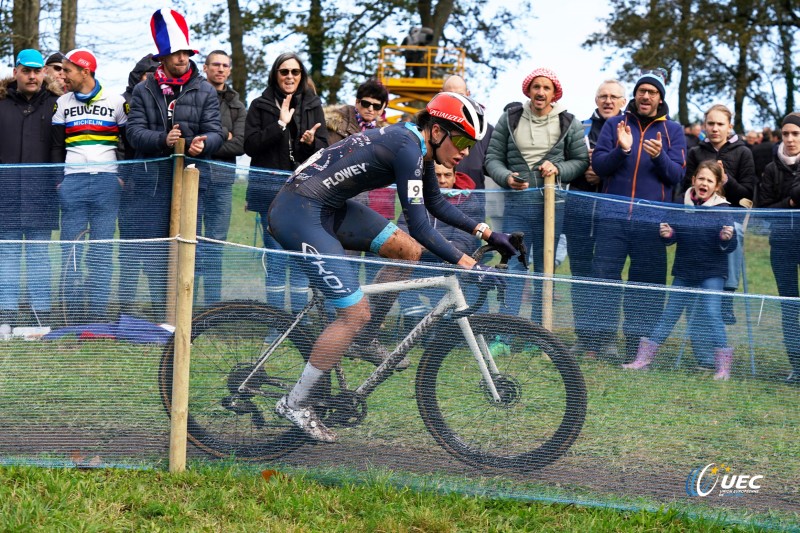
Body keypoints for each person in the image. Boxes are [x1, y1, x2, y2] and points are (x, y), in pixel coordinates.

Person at [268, 92, 521, 441]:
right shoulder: (407, 147)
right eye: (461, 139)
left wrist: (490, 233)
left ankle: (365, 339)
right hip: (300, 213)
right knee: (355, 313)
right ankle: (293, 402)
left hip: (330, 208)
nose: (465, 151)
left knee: (407, 252)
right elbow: (420, 224)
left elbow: (434, 202)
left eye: (472, 144)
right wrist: (467, 264)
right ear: (435, 131)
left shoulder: (416, 148)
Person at [125, 8, 224, 318]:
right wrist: (162, 140)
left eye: (185, 52)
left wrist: (202, 143)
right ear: (162, 58)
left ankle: (185, 314)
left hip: (193, 182)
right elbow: (133, 132)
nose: (182, 58)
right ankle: (161, 314)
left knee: (188, 250)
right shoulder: (143, 90)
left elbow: (217, 132)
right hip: (153, 184)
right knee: (157, 253)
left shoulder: (205, 89)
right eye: (174, 53)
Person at [589, 68, 687, 360]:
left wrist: (659, 157)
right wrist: (622, 150)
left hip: (651, 224)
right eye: (642, 90)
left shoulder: (674, 131)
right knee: (604, 280)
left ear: (660, 98)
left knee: (646, 286)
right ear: (635, 94)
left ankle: (637, 347)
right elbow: (601, 167)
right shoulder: (615, 124)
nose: (645, 96)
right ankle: (601, 341)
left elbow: (676, 177)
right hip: (612, 219)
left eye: (652, 92)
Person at [485, 67, 589, 324]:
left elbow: (580, 160)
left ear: (555, 93)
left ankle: (539, 331)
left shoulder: (569, 121)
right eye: (536, 87)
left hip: (552, 207)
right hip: (517, 207)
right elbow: (492, 158)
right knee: (513, 265)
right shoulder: (510, 118)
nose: (541, 92)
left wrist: (559, 168)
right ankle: (506, 331)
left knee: (546, 268)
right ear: (528, 90)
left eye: (546, 88)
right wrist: (506, 177)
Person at [623, 160, 736, 379]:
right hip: (684, 271)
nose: (704, 183)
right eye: (701, 178)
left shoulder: (723, 209)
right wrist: (668, 235)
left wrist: (726, 238)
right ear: (693, 180)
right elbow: (671, 236)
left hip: (712, 272)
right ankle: (643, 360)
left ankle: (723, 367)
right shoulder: (680, 204)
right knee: (670, 315)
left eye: (709, 181)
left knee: (713, 314)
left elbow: (731, 245)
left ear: (716, 186)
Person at [244, 52, 327, 315]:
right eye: (284, 71)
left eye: (295, 72)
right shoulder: (260, 105)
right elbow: (250, 145)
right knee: (277, 260)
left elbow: (324, 150)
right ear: (275, 74)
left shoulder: (313, 104)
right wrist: (280, 123)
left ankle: (299, 323)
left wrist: (311, 143)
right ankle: (276, 321)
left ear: (301, 76)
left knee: (302, 260)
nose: (289, 77)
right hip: (269, 195)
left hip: (305, 196)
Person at [51, 48, 128, 322]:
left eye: (67, 70)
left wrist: (122, 178)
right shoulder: (62, 103)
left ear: (85, 71)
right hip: (72, 182)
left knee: (102, 250)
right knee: (70, 248)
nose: (63, 76)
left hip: (106, 183)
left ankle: (96, 314)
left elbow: (127, 143)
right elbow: (56, 147)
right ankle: (70, 314)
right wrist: (59, 181)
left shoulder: (117, 102)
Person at [0, 49, 61, 328]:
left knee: (39, 256)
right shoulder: (1, 102)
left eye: (37, 71)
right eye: (27, 70)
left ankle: (41, 314)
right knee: (7, 255)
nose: (33, 76)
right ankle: (6, 313)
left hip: (41, 195)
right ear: (16, 73)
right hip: (6, 194)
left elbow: (59, 149)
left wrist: (57, 182)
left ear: (44, 73)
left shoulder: (56, 105)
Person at [566, 79, 626, 356]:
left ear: (623, 102)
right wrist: (584, 169)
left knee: (608, 276)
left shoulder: (628, 129)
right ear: (595, 99)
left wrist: (603, 170)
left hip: (611, 216)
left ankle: (607, 338)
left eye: (614, 96)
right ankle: (585, 336)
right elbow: (565, 160)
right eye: (603, 96)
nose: (608, 101)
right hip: (578, 212)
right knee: (580, 276)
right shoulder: (580, 128)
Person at [681, 104, 755, 326]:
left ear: (729, 127)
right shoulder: (695, 152)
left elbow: (747, 195)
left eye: (720, 124)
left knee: (736, 233)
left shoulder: (743, 152)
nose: (715, 128)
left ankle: (727, 296)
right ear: (704, 125)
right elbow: (686, 186)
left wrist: (726, 180)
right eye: (710, 124)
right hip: (698, 215)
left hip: (728, 214)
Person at [396, 162, 482, 324]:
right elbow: (401, 231)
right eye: (437, 175)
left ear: (455, 176)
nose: (442, 180)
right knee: (394, 264)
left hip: (450, 266)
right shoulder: (417, 195)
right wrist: (432, 245)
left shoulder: (469, 200)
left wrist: (421, 244)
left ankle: (444, 324)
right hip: (418, 264)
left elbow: (463, 244)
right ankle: (414, 317)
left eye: (447, 175)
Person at [198, 50, 246, 305]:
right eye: (215, 64)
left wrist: (207, 140)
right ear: (205, 68)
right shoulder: (192, 97)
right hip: (193, 179)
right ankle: (187, 311)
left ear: (229, 70)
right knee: (190, 245)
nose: (220, 69)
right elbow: (188, 134)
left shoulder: (237, 105)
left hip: (222, 182)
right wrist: (222, 135)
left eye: (225, 65)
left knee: (215, 246)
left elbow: (239, 145)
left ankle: (210, 309)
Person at [761, 113, 800, 385]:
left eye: (796, 134)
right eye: (786, 134)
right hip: (782, 245)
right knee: (789, 307)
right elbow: (764, 210)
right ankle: (796, 366)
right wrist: (789, 202)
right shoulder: (771, 169)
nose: (790, 139)